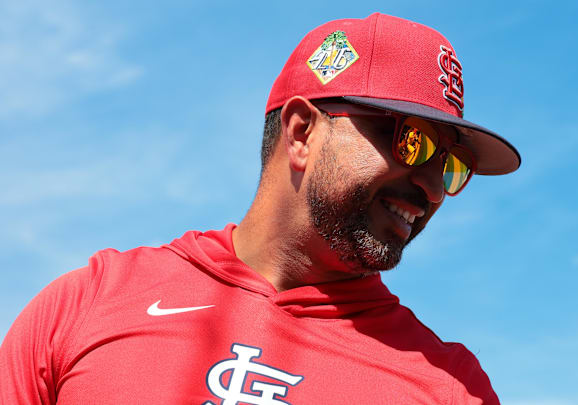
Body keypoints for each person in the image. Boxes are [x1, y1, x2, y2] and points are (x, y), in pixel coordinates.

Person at [0, 13, 520, 404]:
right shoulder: (88, 305)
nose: (432, 187)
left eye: (451, 166)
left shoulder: (450, 388)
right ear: (302, 132)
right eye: (413, 142)